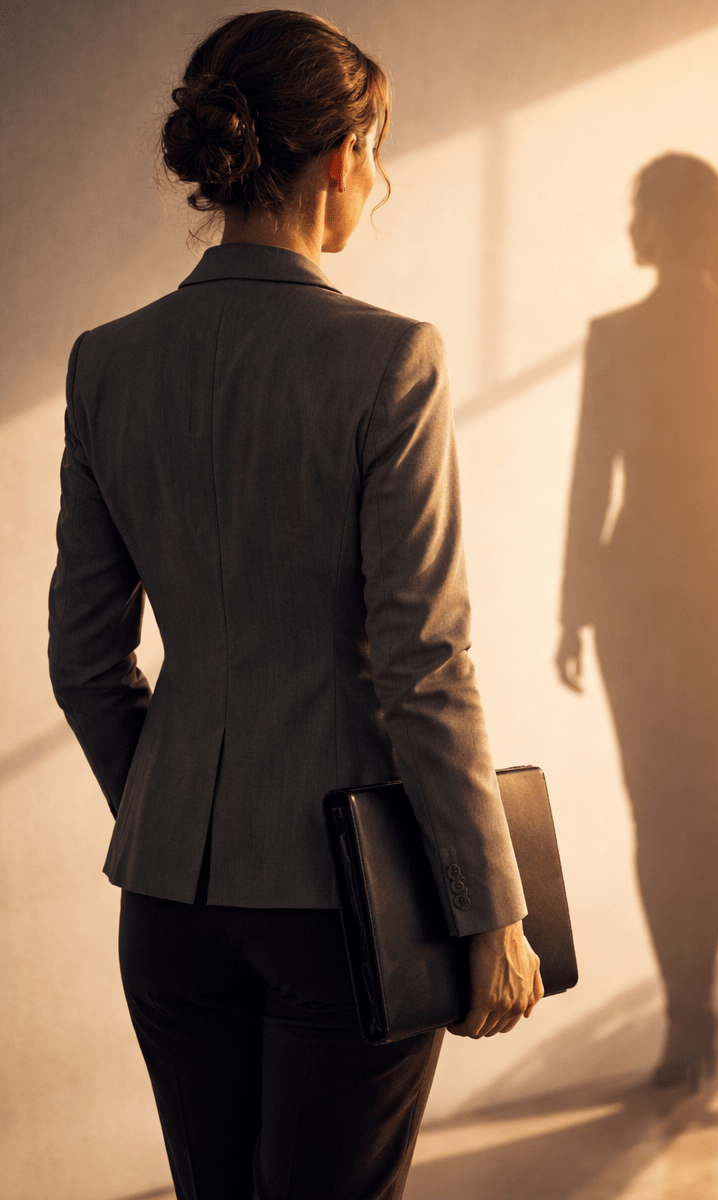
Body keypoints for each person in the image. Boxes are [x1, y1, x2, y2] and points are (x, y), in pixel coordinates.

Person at [47, 11, 542, 1200]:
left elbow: (83, 659)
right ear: (341, 159)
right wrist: (491, 913)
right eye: (379, 155)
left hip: (167, 906)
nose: (378, 185)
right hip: (346, 903)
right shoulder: (389, 360)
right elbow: (424, 663)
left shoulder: (106, 361)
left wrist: (175, 813)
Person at [556, 153, 718, 1093]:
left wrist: (574, 613)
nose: (628, 229)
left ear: (666, 221)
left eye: (637, 212)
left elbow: (592, 488)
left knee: (665, 811)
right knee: (697, 807)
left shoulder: (616, 338)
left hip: (638, 600)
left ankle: (687, 1020)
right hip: (709, 602)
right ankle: (690, 1019)